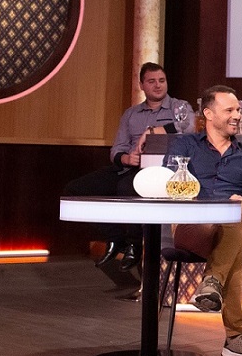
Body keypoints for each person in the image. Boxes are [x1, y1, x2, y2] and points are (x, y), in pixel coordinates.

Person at [167, 85, 242, 356]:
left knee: (238, 212)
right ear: (208, 114)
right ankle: (236, 336)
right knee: (235, 236)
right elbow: (169, 184)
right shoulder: (184, 146)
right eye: (230, 110)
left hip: (232, 226)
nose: (237, 115)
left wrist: (241, 202)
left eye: (238, 110)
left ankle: (212, 283)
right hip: (193, 226)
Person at [63, 62, 193, 284]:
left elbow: (188, 127)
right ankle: (116, 239)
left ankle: (134, 244)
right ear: (142, 85)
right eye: (151, 81)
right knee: (75, 190)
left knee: (127, 188)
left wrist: (152, 131)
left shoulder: (179, 107)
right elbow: (117, 149)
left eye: (161, 80)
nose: (158, 85)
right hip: (129, 167)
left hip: (160, 170)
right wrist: (126, 158)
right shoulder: (131, 114)